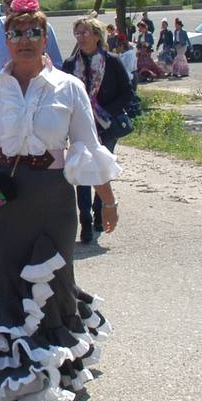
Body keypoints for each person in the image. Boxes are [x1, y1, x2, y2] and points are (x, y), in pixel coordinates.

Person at [0, 0, 119, 401]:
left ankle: (55, 373)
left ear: (46, 38)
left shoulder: (69, 87)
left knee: (54, 281)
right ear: (5, 39)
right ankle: (2, 388)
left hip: (52, 198)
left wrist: (108, 201)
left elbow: (87, 146)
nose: (25, 40)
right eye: (16, 33)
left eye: (34, 32)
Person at [61, 17, 134, 244]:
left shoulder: (112, 62)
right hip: (79, 127)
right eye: (78, 33)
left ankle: (99, 212)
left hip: (106, 126)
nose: (81, 37)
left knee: (100, 171)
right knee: (82, 172)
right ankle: (85, 220)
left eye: (85, 33)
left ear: (97, 35)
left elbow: (127, 92)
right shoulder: (70, 64)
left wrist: (105, 112)